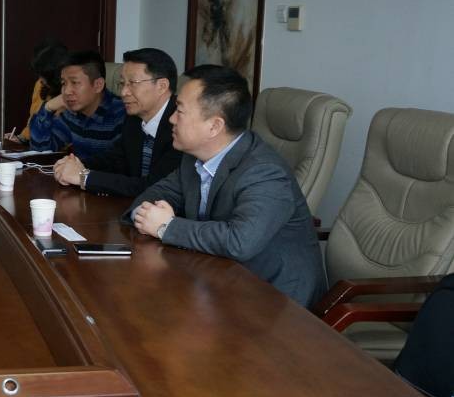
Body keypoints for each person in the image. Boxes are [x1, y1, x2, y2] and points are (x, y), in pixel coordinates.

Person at [124, 65, 326, 307]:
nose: (171, 119)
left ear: (214, 126)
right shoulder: (193, 157)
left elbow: (239, 242)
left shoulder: (265, 172)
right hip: (217, 279)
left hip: (275, 301)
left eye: (180, 111)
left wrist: (166, 226)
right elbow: (152, 195)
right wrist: (146, 216)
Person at [53, 47, 182, 197]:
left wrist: (84, 177)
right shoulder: (134, 119)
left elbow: (153, 187)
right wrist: (73, 164)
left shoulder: (181, 125)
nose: (123, 92)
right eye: (122, 83)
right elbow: (114, 159)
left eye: (132, 83)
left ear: (162, 86)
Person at [26, 49, 126, 160]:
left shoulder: (121, 115)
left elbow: (121, 165)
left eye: (75, 83)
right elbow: (40, 151)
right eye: (63, 83)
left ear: (98, 85)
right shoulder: (71, 112)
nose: (67, 91)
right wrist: (47, 108)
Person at [16, 40, 71, 143]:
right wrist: (21, 138)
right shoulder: (40, 85)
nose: (40, 79)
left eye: (43, 75)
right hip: (38, 144)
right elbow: (33, 121)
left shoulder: (71, 94)